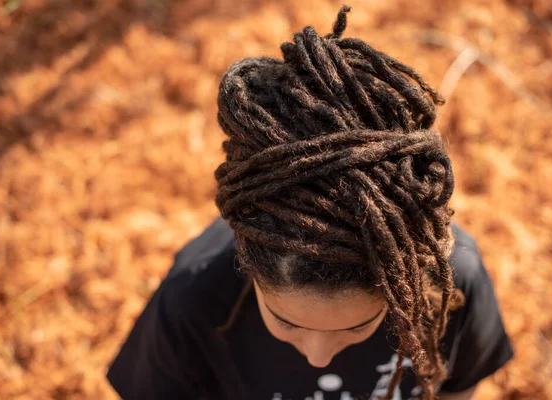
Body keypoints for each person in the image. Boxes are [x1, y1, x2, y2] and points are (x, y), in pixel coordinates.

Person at [106, 6, 514, 400]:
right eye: (284, 322)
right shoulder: (192, 302)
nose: (319, 358)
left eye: (358, 328)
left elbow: (456, 387)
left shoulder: (451, 284)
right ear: (247, 267)